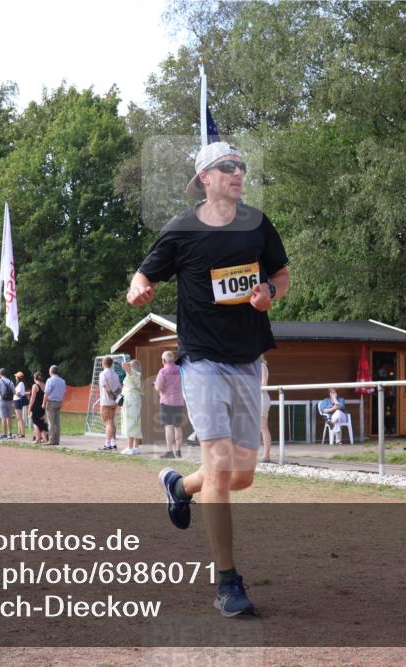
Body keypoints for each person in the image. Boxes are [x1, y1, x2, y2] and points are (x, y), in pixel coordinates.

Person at [127, 140, 290, 617]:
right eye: (227, 167)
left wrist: (269, 294)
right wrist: (140, 289)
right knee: (219, 468)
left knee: (240, 477)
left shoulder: (258, 223)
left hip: (247, 360)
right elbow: (142, 275)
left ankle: (180, 488)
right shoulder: (182, 229)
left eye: (241, 165)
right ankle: (228, 583)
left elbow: (281, 274)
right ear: (206, 178)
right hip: (201, 362)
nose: (238, 172)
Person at [154, 350, 184, 459]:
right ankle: (179, 451)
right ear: (173, 359)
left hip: (166, 402)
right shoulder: (181, 370)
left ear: (164, 360)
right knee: (178, 426)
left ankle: (169, 451)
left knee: (169, 426)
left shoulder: (163, 371)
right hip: (179, 402)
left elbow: (158, 387)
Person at [120, 359, 143, 455]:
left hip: (131, 400)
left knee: (130, 422)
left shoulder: (133, 372)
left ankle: (130, 447)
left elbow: (123, 365)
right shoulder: (139, 374)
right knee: (136, 421)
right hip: (135, 399)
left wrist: (127, 363)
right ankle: (135, 447)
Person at [98, 355, 121, 451]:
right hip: (114, 402)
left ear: (103, 364)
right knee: (112, 422)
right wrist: (116, 398)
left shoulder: (103, 374)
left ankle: (107, 444)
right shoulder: (115, 374)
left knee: (108, 422)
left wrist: (110, 394)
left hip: (106, 401)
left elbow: (105, 386)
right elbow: (120, 387)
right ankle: (113, 442)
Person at [43, 365, 66, 446]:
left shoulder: (50, 380)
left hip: (51, 402)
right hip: (59, 402)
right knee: (57, 423)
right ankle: (57, 440)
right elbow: (63, 392)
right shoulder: (62, 381)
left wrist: (43, 403)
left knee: (51, 423)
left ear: (51, 371)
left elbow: (46, 393)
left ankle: (51, 440)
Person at [0, 369, 16, 438]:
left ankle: (4, 433)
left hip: (2, 401)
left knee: (3, 417)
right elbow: (14, 392)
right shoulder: (10, 381)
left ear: (0, 374)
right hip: (9, 401)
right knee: (9, 417)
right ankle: (10, 433)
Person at [29, 371, 48, 443]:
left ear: (35, 378)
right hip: (42, 407)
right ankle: (45, 438)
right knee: (41, 422)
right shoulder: (45, 385)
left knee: (36, 422)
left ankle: (37, 439)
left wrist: (29, 408)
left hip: (36, 407)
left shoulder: (35, 386)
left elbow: (32, 398)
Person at [260, 356, 272, 463]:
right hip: (255, 398)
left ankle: (266, 455)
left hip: (261, 398)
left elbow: (264, 383)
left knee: (263, 427)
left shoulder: (261, 366)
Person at [13, 371, 26, 438]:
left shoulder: (21, 384)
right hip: (16, 401)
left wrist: (13, 392)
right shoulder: (20, 384)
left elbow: (18, 393)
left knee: (20, 418)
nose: (15, 377)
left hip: (18, 401)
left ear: (18, 377)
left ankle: (22, 433)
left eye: (16, 376)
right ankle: (19, 432)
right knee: (18, 418)